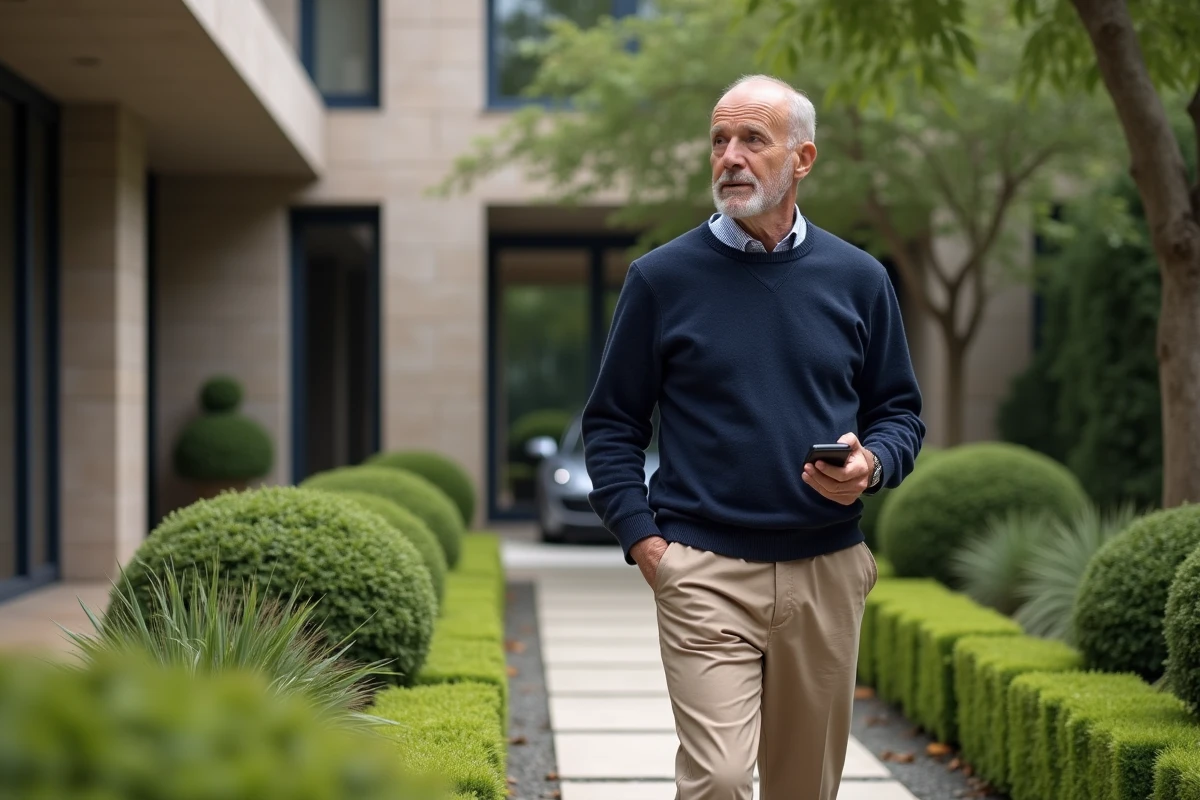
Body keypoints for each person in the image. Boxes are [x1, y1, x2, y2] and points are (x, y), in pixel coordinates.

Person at [580, 74, 926, 800]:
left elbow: (899, 412)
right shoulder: (661, 279)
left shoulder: (860, 278)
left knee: (803, 787)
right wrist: (647, 544)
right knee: (720, 779)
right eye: (719, 140)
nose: (730, 157)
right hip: (703, 569)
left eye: (752, 140)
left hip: (826, 570)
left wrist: (871, 464)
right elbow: (612, 423)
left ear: (803, 159)